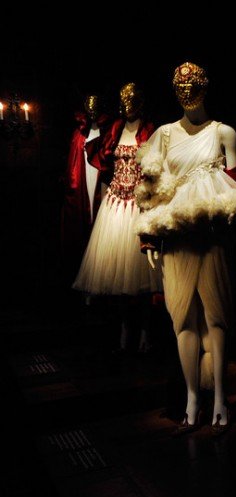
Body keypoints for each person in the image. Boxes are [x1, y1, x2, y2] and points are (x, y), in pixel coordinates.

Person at [135, 62, 236, 434]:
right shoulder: (164, 135)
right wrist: (148, 236)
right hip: (177, 235)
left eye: (194, 87)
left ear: (205, 89)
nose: (187, 94)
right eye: (181, 89)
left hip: (215, 233)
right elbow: (150, 186)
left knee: (217, 316)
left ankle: (219, 397)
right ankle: (191, 398)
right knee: (183, 318)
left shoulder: (223, 132)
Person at [73, 83, 162, 352]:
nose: (127, 104)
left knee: (142, 275)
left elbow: (156, 171)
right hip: (115, 202)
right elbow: (104, 164)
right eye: (124, 100)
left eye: (132, 100)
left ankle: (145, 330)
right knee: (119, 276)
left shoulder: (151, 131)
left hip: (138, 204)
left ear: (141, 103)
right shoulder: (115, 128)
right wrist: (105, 198)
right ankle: (124, 327)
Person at [60, 95, 109, 285]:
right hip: (84, 177)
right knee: (84, 215)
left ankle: (100, 274)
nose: (92, 111)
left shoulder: (108, 131)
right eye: (89, 108)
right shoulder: (79, 133)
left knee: (100, 217)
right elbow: (72, 164)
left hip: (100, 178)